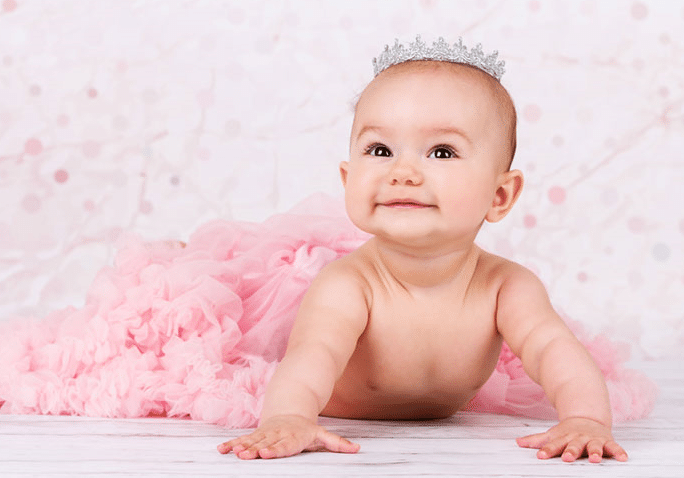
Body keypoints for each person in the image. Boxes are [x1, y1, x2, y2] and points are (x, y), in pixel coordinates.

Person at [217, 37, 629, 463]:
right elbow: (312, 356)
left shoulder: (507, 286)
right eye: (380, 150)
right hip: (335, 411)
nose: (403, 172)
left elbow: (553, 349)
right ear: (347, 179)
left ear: (500, 196)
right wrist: (289, 417)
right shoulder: (348, 284)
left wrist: (587, 419)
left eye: (442, 151)